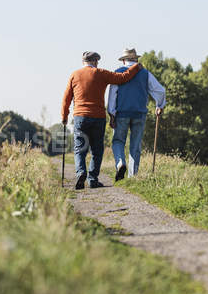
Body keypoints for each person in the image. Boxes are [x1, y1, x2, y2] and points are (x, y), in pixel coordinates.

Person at [61, 51, 142, 189]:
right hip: (98, 117)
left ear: (83, 62)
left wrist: (64, 116)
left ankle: (81, 173)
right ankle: (92, 179)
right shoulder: (101, 73)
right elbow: (122, 77)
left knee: (79, 149)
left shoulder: (74, 75)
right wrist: (136, 67)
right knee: (97, 150)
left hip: (80, 117)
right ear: (95, 62)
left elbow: (66, 98)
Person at [107, 47, 166, 180]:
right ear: (136, 59)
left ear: (123, 61)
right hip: (139, 113)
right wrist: (159, 105)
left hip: (122, 113)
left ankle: (120, 162)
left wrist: (111, 113)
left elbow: (112, 96)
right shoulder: (145, 73)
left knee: (118, 141)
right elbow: (160, 91)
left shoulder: (117, 73)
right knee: (135, 145)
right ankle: (133, 176)